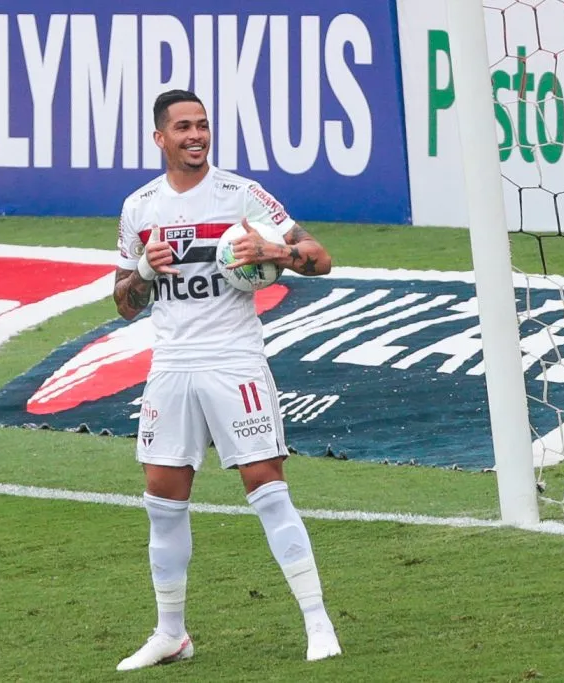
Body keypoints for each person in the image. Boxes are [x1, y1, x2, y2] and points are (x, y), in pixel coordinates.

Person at [111, 89, 341, 671]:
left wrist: (273, 251)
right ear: (160, 138)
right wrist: (142, 269)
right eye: (183, 127)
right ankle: (171, 634)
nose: (196, 135)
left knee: (266, 484)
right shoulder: (139, 207)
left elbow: (320, 256)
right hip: (170, 366)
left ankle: (318, 621)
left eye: (203, 125)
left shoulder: (242, 194)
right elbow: (124, 304)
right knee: (163, 497)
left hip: (234, 359)